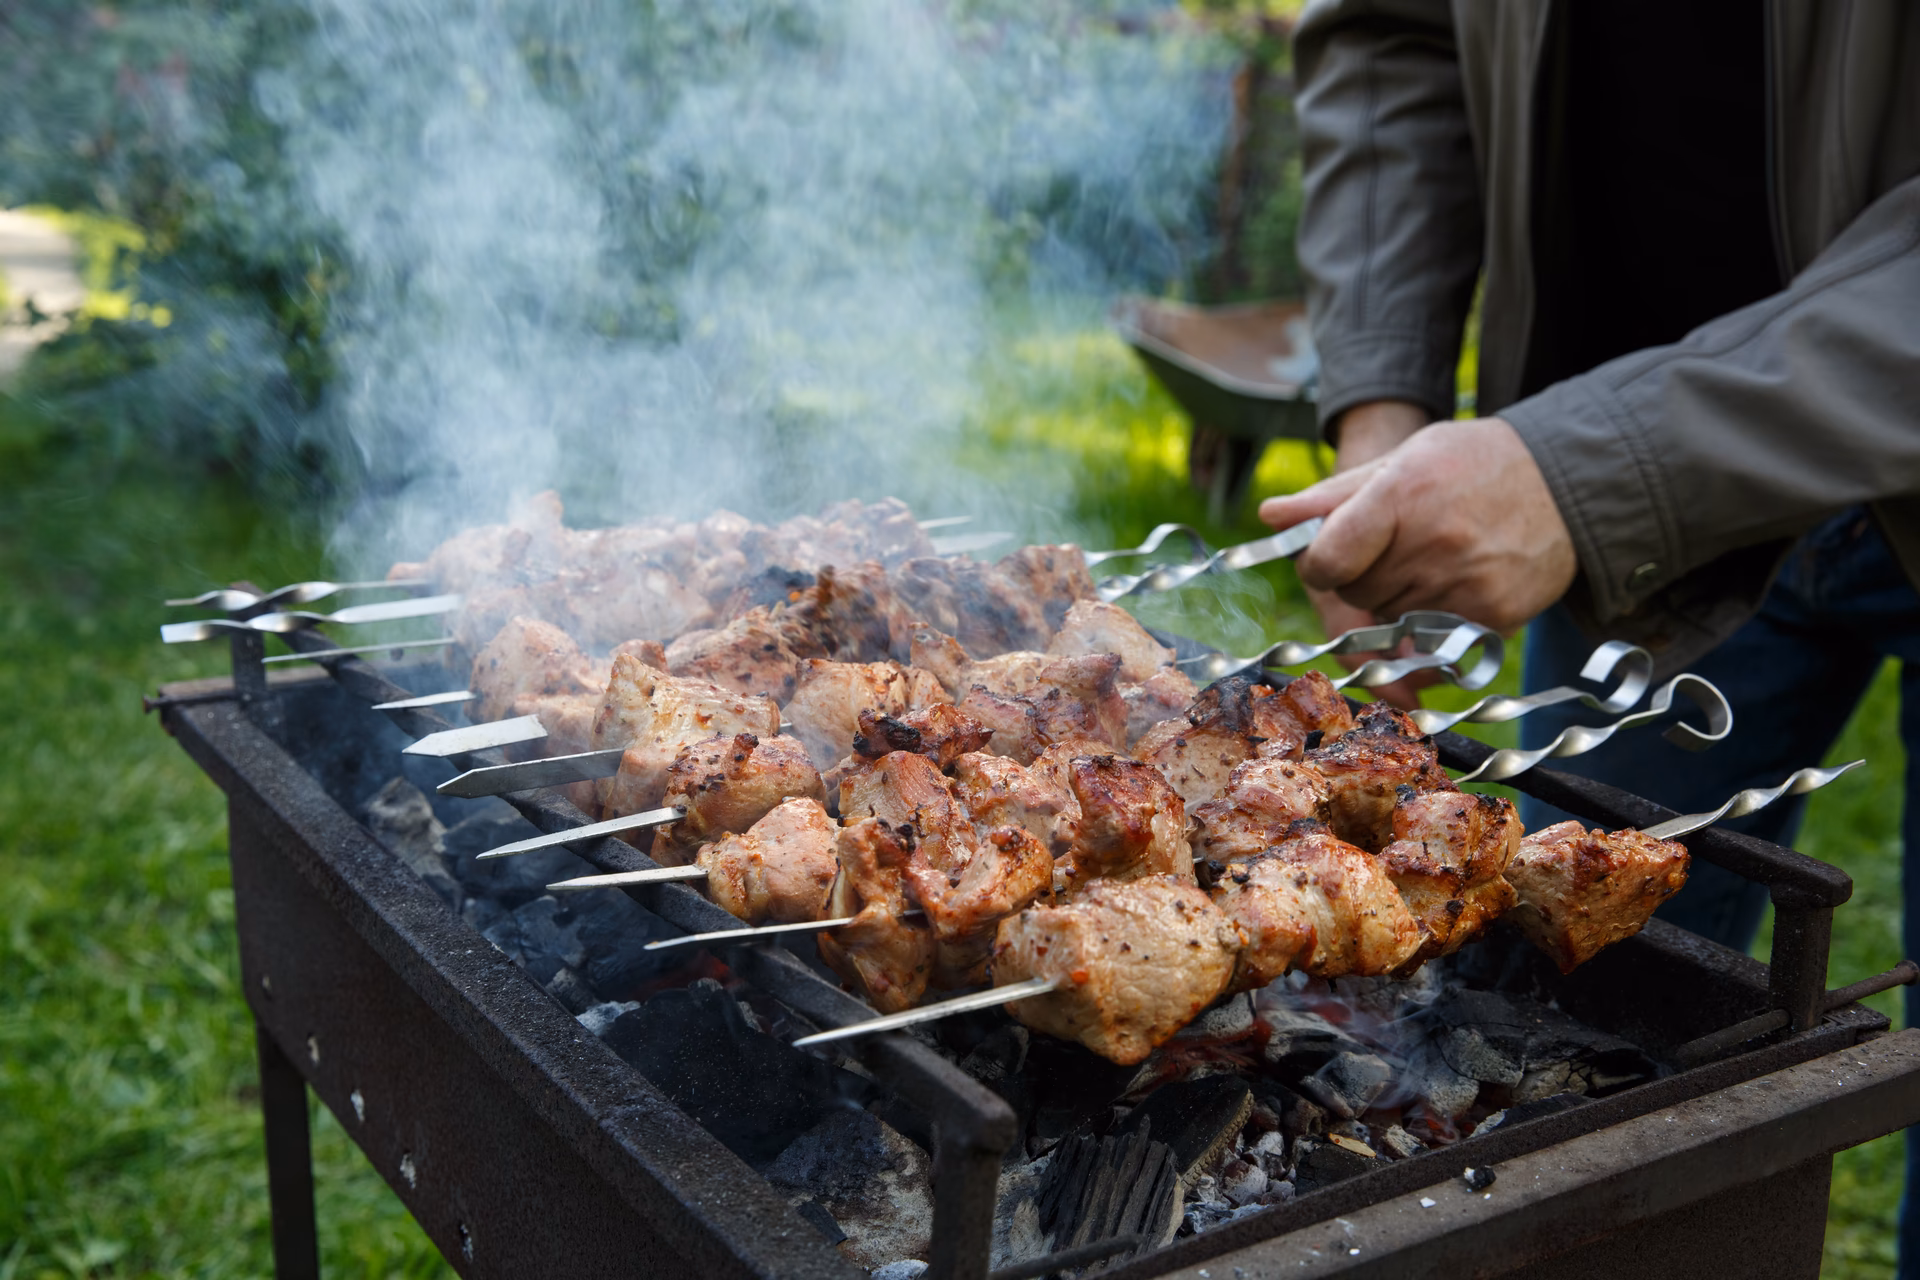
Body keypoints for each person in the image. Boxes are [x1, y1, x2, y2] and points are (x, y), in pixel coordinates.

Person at [1260, 0, 1920, 1266]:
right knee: (1561, 1022)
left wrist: (1595, 470)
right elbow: (1398, 36)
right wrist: (1382, 410)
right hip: (1639, 536)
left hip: (1614, 472)